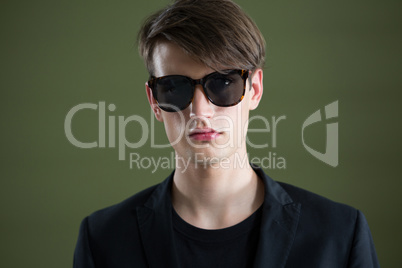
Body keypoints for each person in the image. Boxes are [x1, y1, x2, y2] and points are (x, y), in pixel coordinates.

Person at [73, 0, 379, 267]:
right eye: (174, 87)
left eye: (223, 83)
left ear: (254, 89)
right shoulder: (103, 240)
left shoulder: (339, 234)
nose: (200, 112)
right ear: (154, 101)